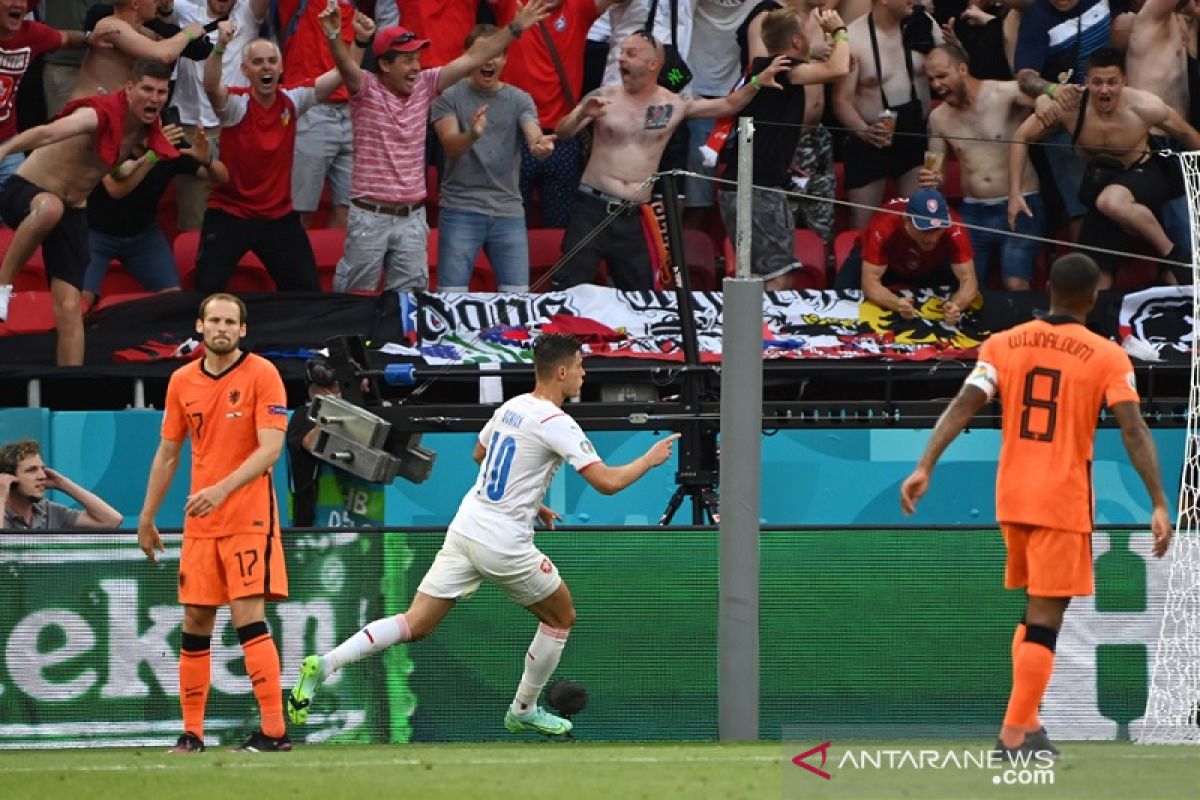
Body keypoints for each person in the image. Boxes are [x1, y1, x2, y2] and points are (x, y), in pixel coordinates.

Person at [287, 333, 682, 736]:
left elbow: (481, 455)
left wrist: (531, 499)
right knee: (562, 617)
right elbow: (607, 482)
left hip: (467, 526)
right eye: (580, 366)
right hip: (503, 542)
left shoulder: (512, 407)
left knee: (416, 623)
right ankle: (523, 709)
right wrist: (649, 460)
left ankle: (327, 663)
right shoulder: (557, 422)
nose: (584, 373)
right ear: (561, 372)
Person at [899, 252, 1173, 760]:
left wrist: (925, 464)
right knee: (1047, 618)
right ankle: (1013, 736)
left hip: (1013, 496)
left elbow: (964, 403)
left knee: (1034, 612)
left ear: (1048, 289)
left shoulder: (1003, 344)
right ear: (1093, 297)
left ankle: (1030, 726)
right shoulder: (1107, 356)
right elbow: (1133, 429)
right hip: (1061, 499)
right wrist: (1158, 499)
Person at [138, 292, 293, 753]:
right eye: (214, 320)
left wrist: (222, 489)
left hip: (249, 515)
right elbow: (168, 453)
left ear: (243, 330)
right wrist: (147, 518)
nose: (222, 328)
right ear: (200, 327)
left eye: (231, 321)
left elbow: (270, 449)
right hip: (202, 522)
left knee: (248, 615)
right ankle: (192, 733)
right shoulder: (182, 381)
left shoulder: (263, 374)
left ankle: (274, 731)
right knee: (196, 619)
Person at [323, 0, 553, 294]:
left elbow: (474, 57)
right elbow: (345, 66)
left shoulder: (425, 84)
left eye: (417, 58)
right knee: (355, 300)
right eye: (407, 60)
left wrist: (516, 27)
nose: (416, 66)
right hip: (371, 216)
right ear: (384, 64)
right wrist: (334, 36)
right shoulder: (365, 89)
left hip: (412, 218)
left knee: (409, 306)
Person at [551, 32, 788, 290]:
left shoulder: (673, 104)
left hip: (634, 214)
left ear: (653, 64)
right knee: (568, 287)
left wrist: (756, 81)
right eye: (621, 52)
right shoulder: (603, 95)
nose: (621, 59)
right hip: (592, 207)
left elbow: (728, 105)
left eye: (631, 54)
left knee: (641, 293)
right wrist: (582, 114)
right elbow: (563, 132)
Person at [0, 59, 180, 365]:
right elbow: (46, 133)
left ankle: (71, 394)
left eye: (161, 92)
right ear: (130, 89)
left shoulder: (143, 133)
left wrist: (148, 158)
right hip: (26, 190)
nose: (154, 98)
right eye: (147, 89)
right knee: (49, 207)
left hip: (73, 210)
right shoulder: (96, 115)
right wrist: (3, 151)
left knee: (71, 308)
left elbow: (118, 182)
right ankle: (3, 285)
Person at [1009, 48, 1200, 288]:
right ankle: (1097, 320)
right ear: (1086, 81)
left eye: (1112, 82)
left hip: (1148, 173)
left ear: (1124, 81)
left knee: (1112, 201)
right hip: (1104, 182)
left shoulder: (1145, 105)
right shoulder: (1070, 107)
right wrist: (1014, 193)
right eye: (1097, 82)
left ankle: (1173, 256)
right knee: (1092, 276)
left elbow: (1187, 134)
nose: (1104, 90)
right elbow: (1020, 137)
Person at [195, 13, 345, 293]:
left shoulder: (292, 99)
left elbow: (341, 75)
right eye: (258, 62)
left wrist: (354, 40)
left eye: (272, 61)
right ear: (246, 70)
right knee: (205, 293)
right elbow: (212, 86)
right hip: (230, 214)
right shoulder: (237, 104)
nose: (266, 67)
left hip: (278, 218)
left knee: (308, 294)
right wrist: (219, 47)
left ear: (280, 68)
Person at [717, 6, 849, 290]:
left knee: (755, 274)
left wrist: (782, 156)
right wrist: (839, 31)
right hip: (756, 189)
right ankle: (765, 331)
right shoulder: (783, 69)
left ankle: (755, 329)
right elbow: (839, 68)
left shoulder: (766, 68)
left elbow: (762, 124)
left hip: (747, 183)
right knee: (777, 275)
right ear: (797, 42)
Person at [431, 23, 556, 293]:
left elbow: (532, 130)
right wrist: (473, 135)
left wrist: (538, 144)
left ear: (505, 58)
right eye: (482, 53)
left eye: (496, 52)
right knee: (451, 298)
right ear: (468, 57)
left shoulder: (519, 99)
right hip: (460, 207)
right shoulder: (447, 97)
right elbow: (451, 146)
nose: (489, 60)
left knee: (517, 297)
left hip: (507, 209)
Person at [921, 43, 1044, 290]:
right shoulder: (938, 118)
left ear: (963, 69)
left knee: (1015, 284)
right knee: (966, 284)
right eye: (931, 79)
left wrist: (1043, 100)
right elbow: (937, 169)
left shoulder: (1003, 93)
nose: (936, 85)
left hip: (1019, 203)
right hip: (974, 211)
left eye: (942, 76)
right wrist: (932, 178)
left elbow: (1048, 98)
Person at [498, 0, 628, 230]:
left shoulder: (577, 7)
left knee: (560, 230)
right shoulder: (513, 5)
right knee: (508, 228)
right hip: (513, 135)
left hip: (562, 139)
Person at [83, 119, 228, 307]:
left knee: (173, 299)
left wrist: (207, 160)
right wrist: (153, 155)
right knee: (81, 301)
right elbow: (116, 190)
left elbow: (222, 178)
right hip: (97, 234)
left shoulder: (170, 146)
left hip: (143, 236)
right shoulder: (109, 141)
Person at [833, 0, 938, 230]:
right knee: (864, 226)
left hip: (915, 135)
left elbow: (953, 68)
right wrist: (863, 131)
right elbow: (841, 100)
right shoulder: (854, 37)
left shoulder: (923, 24)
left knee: (918, 223)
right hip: (871, 139)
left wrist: (954, 47)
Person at [169, 0, 269, 232]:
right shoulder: (183, 10)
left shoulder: (246, 12)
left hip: (234, 127)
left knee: (241, 207)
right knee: (193, 214)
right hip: (191, 128)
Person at [1012, 0, 1112, 230]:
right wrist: (1051, 90)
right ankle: (1084, 265)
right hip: (1064, 120)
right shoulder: (1036, 16)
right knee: (1081, 209)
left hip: (1113, 109)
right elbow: (1025, 76)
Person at [0, 0, 115, 185]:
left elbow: (66, 38)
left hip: (8, 144)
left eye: (23, 0)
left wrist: (89, 38)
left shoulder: (31, 33)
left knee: (24, 203)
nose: (18, 4)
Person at [833, 188, 978, 324]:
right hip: (887, 263)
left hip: (933, 263)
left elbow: (969, 280)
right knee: (841, 292)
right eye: (925, 230)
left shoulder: (954, 228)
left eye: (938, 230)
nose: (932, 238)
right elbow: (870, 282)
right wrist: (896, 303)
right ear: (907, 221)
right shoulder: (884, 225)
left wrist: (957, 305)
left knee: (977, 299)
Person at [274, 0, 356, 229]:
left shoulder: (350, 6)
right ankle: (295, 265)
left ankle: (331, 264)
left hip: (350, 112)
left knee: (350, 210)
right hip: (310, 108)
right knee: (301, 209)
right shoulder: (298, 5)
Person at [70, 0, 205, 102]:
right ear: (135, 4)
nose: (157, 3)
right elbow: (162, 55)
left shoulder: (143, 33)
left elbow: (166, 49)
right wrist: (187, 33)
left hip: (116, 112)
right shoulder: (111, 26)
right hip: (89, 109)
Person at [1, 438, 122, 530]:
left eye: (42, 469)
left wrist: (62, 483)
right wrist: (1, 498)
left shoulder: (48, 511)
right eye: (32, 470)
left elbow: (112, 520)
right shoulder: (3, 510)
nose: (42, 476)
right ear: (9, 477)